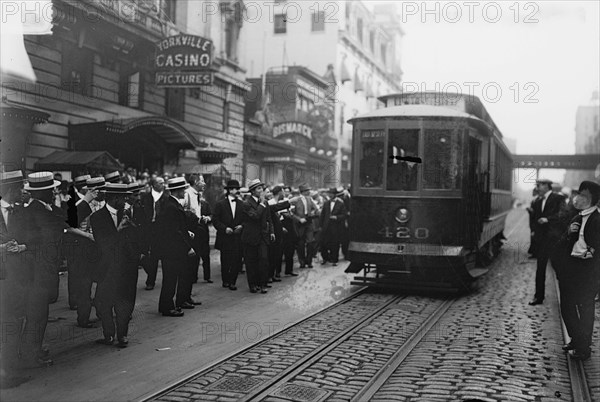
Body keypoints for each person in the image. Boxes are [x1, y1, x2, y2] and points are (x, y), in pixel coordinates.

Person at [554, 181, 600, 360]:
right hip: (571, 268)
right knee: (566, 305)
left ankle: (584, 347)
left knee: (585, 307)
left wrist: (591, 254)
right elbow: (562, 245)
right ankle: (576, 338)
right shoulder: (576, 218)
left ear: (593, 200)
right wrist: (568, 234)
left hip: (588, 271)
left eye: (584, 196)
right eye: (579, 194)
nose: (578, 198)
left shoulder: (597, 220)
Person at [90, 183, 139, 347]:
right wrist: (118, 229)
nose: (126, 200)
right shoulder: (97, 217)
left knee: (125, 302)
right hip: (107, 268)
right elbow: (103, 244)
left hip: (126, 268)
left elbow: (136, 238)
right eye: (123, 197)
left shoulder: (128, 214)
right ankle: (108, 334)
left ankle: (122, 335)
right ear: (114, 198)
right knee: (103, 303)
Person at [0, 171, 30, 387]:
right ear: (10, 190)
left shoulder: (21, 213)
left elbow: (32, 239)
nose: (23, 192)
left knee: (14, 320)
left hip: (17, 278)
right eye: (20, 188)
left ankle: (10, 367)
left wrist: (22, 247)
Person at [155, 177, 196, 316]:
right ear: (177, 190)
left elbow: (177, 227)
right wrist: (187, 247)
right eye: (183, 189)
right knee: (171, 279)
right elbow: (175, 231)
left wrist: (186, 232)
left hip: (169, 248)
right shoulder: (172, 207)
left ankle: (164, 305)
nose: (185, 191)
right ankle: (168, 307)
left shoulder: (171, 204)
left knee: (170, 278)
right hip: (172, 249)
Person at [529, 179, 565, 306]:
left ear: (546, 186)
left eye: (539, 185)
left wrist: (548, 219)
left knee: (559, 269)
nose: (537, 188)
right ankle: (538, 297)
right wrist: (534, 232)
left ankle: (565, 297)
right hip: (542, 240)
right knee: (540, 269)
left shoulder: (558, 198)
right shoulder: (537, 201)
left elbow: (562, 215)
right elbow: (534, 219)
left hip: (554, 240)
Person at [241, 179, 275, 293]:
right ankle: (253, 284)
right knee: (251, 262)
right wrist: (261, 204)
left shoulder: (264, 203)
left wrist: (272, 232)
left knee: (264, 260)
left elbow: (269, 218)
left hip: (263, 236)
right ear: (253, 191)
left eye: (262, 188)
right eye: (259, 188)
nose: (261, 190)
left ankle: (263, 284)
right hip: (250, 237)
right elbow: (255, 216)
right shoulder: (246, 203)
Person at [212, 180, 244, 290]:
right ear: (230, 190)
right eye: (235, 189)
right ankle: (225, 280)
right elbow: (215, 220)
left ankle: (232, 281)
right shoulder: (220, 204)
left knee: (236, 259)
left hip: (237, 236)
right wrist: (225, 229)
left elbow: (246, 219)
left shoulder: (241, 204)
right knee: (225, 260)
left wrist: (241, 226)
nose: (237, 191)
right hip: (225, 237)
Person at [183, 174, 212, 284]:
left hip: (200, 228)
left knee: (201, 253)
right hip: (191, 230)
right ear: (196, 182)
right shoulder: (187, 194)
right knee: (192, 257)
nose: (204, 183)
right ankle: (190, 280)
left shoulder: (198, 195)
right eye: (202, 181)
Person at [140, 177, 168, 290]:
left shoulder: (165, 198)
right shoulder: (146, 197)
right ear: (154, 185)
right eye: (160, 183)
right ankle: (150, 275)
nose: (163, 185)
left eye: (163, 183)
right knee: (146, 254)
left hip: (160, 228)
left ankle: (151, 281)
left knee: (156, 254)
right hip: (148, 228)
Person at [292, 183, 320, 268]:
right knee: (300, 244)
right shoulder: (295, 200)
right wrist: (299, 219)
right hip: (300, 224)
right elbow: (291, 213)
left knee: (310, 243)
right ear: (303, 191)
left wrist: (315, 212)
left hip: (309, 223)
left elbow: (316, 209)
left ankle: (309, 261)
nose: (309, 191)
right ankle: (302, 261)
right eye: (307, 190)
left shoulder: (310, 199)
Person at [267, 186, 291, 282]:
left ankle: (273, 274)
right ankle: (269, 275)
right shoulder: (271, 203)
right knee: (271, 254)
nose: (284, 194)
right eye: (283, 192)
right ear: (280, 192)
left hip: (279, 230)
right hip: (273, 232)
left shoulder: (277, 203)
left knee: (277, 254)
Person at [319, 187, 348, 266]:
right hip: (326, 226)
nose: (330, 195)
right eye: (329, 194)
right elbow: (322, 215)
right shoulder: (326, 203)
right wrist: (320, 225)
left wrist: (337, 217)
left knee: (335, 244)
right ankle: (325, 258)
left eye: (332, 194)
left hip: (336, 227)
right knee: (323, 243)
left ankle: (334, 259)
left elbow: (344, 215)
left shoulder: (340, 203)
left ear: (335, 195)